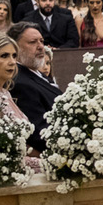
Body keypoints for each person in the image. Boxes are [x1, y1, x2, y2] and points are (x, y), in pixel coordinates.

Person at [7, 22, 62, 154]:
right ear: (15, 47)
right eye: (33, 42)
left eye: (42, 41)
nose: (40, 47)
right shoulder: (20, 82)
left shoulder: (35, 73)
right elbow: (40, 133)